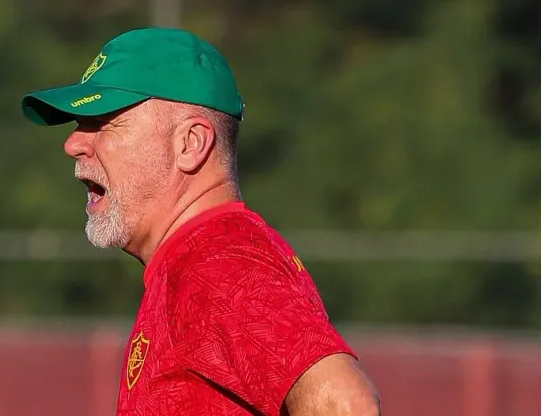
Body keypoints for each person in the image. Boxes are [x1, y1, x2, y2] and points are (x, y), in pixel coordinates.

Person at [21, 27, 380, 416]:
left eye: (103, 122)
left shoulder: (219, 262)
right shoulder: (196, 260)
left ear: (190, 144)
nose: (73, 143)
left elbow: (345, 402)